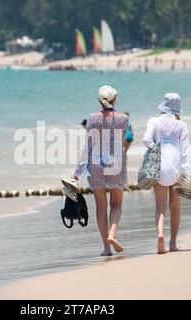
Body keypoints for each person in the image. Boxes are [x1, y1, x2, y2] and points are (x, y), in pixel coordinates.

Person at [72, 85, 129, 256]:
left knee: (101, 207)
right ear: (115, 99)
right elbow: (122, 142)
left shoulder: (92, 118)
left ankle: (106, 248)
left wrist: (76, 174)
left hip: (96, 165)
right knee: (117, 204)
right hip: (116, 165)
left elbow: (87, 146)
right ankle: (112, 234)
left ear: (99, 100)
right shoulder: (124, 119)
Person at [142, 93, 191, 254]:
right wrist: (189, 174)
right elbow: (185, 152)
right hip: (177, 168)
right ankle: (172, 243)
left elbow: (146, 140)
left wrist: (155, 148)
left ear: (163, 107)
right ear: (177, 109)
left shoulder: (154, 121)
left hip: (159, 167)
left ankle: (160, 235)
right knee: (175, 206)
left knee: (160, 207)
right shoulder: (181, 125)